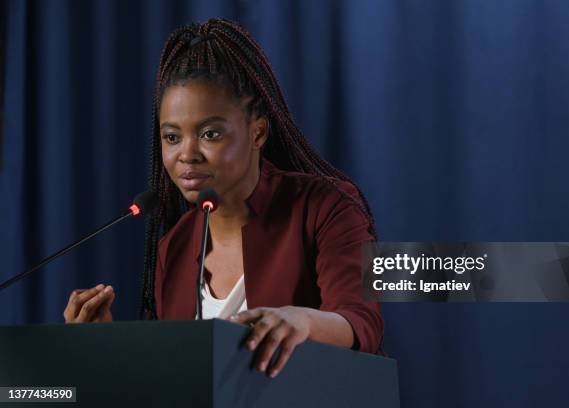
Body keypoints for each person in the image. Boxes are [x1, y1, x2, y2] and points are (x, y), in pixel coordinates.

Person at [63, 19, 383, 377]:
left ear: (257, 131)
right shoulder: (176, 245)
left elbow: (362, 323)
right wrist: (105, 345)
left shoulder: (326, 206)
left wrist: (303, 321)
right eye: (171, 137)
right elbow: (175, 376)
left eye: (210, 133)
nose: (187, 154)